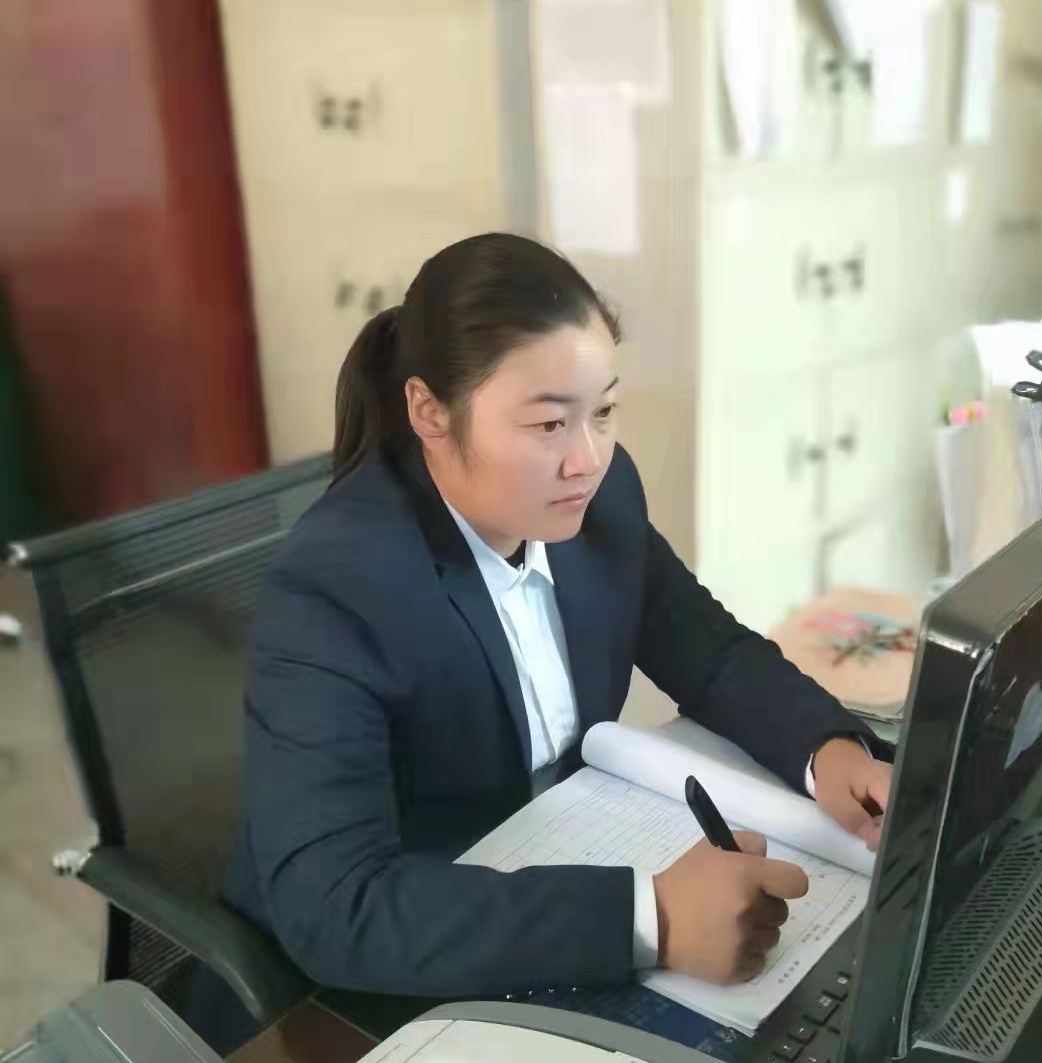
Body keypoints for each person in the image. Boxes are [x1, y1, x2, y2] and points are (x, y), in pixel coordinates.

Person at [220, 233, 892, 1018]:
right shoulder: (335, 589)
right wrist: (652, 918)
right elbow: (341, 906)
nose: (586, 459)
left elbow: (706, 649)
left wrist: (826, 750)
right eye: (547, 425)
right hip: (373, 983)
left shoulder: (594, 498)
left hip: (545, 874)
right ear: (429, 411)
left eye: (601, 412)